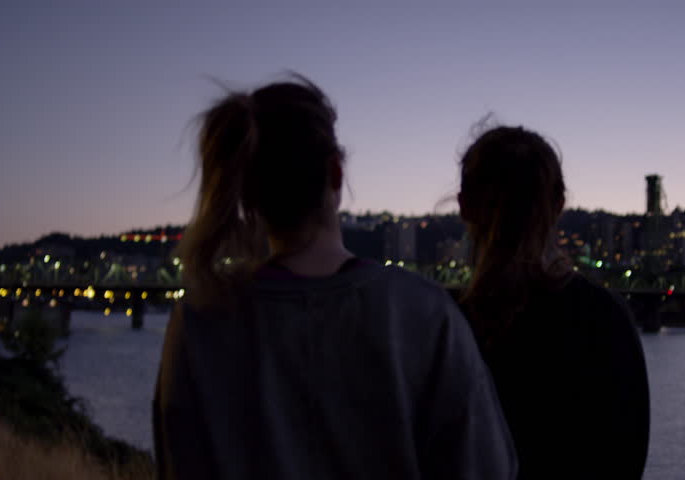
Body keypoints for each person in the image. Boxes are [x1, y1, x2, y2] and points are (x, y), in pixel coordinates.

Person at [152, 76, 517, 479]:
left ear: (248, 191)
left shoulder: (199, 321)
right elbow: (485, 467)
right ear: (336, 172)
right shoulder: (424, 314)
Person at [456, 124, 650, 479]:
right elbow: (627, 457)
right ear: (559, 205)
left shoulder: (446, 324)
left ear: (464, 206)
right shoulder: (604, 318)